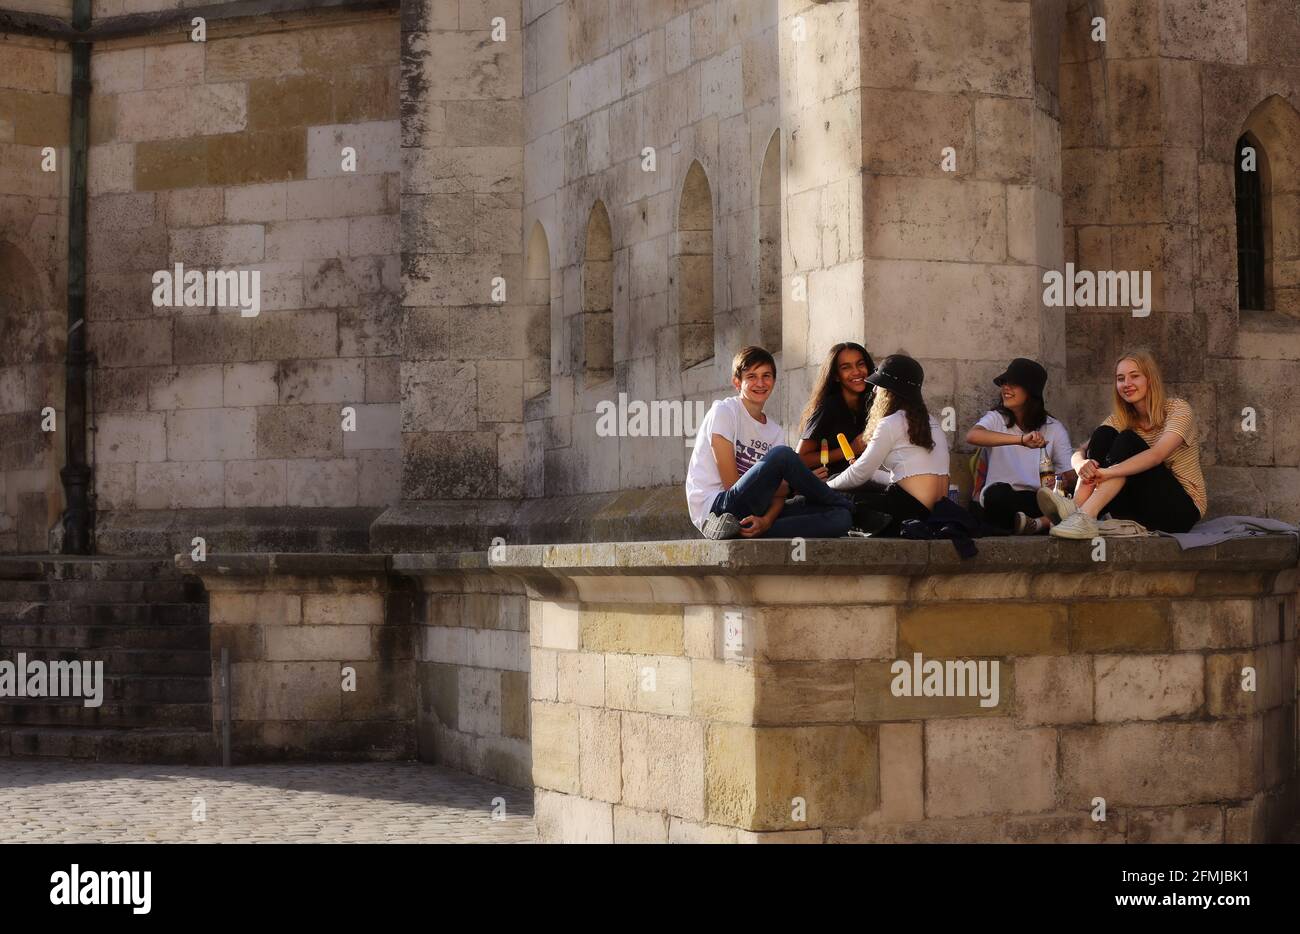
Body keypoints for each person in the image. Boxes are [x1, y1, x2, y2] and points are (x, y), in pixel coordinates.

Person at [685, 346, 853, 540]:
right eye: (751, 377)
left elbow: (777, 496)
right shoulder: (724, 411)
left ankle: (745, 532)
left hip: (756, 510)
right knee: (783, 455)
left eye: (766, 376)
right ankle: (848, 503)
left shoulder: (775, 431)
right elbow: (732, 484)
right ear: (737, 382)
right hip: (718, 508)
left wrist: (765, 522)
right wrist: (792, 485)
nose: (760, 383)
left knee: (841, 518)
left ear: (773, 381)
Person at [1044, 350, 1207, 538]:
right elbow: (1081, 450)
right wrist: (1081, 465)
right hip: (1136, 507)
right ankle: (1075, 511)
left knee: (1127, 441)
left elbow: (1157, 456)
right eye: (1120, 378)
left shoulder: (1178, 409)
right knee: (1103, 434)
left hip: (1179, 512)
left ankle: (1082, 515)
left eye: (1134, 376)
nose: (1126, 384)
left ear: (1150, 379)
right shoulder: (1120, 419)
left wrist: (1107, 472)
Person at [824, 354, 950, 536]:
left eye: (878, 386)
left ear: (888, 392)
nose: (874, 390)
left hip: (906, 512)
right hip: (934, 511)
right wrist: (872, 475)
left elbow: (859, 475)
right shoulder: (932, 422)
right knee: (841, 479)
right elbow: (907, 478)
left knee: (832, 494)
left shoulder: (890, 423)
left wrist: (825, 486)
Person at [965, 358, 1076, 534]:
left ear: (1031, 391)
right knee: (997, 495)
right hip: (1001, 499)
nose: (1006, 388)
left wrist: (1060, 480)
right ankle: (1030, 525)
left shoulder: (1054, 427)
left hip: (1036, 500)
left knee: (1058, 501)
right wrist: (1021, 440)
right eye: (1004, 383)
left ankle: (1031, 524)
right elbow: (972, 436)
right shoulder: (996, 418)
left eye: (1014, 384)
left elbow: (1069, 475)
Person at [795, 342, 876, 478]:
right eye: (846, 367)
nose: (856, 372)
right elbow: (800, 458)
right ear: (836, 376)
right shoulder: (828, 407)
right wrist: (850, 449)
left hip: (864, 480)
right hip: (829, 486)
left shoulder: (873, 403)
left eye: (860, 364)